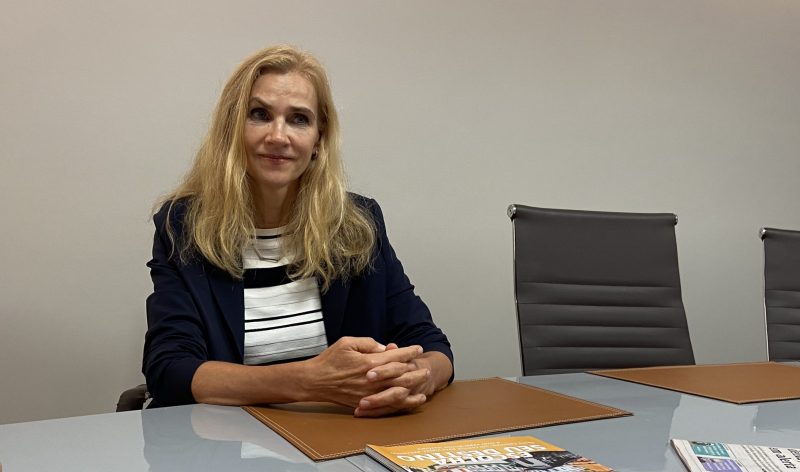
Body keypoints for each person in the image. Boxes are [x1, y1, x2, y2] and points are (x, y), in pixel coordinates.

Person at [143, 45, 453, 418]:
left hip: (338, 441)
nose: (278, 135)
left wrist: (418, 377)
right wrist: (308, 381)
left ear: (319, 139)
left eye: (299, 119)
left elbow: (433, 347)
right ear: (232, 128)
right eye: (259, 115)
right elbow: (170, 369)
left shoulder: (358, 223)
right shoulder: (185, 226)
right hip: (225, 444)